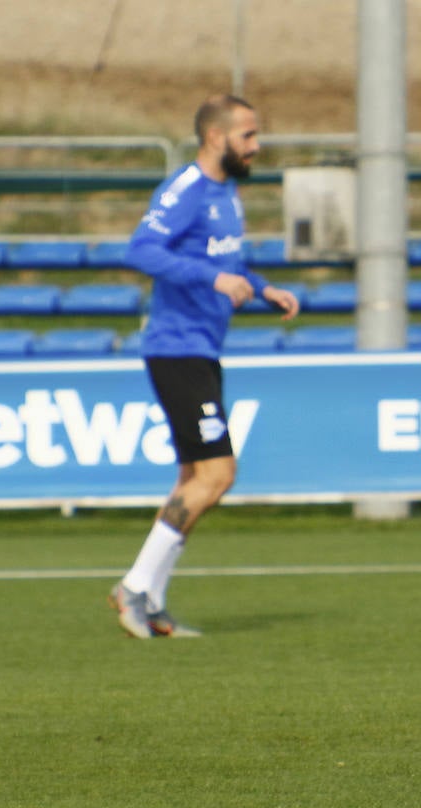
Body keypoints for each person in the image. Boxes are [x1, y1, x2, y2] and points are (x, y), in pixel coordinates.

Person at [108, 94, 300, 639]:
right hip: (176, 348)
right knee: (218, 474)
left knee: (192, 480)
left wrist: (264, 289)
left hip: (201, 348)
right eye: (249, 135)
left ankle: (153, 602)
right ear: (217, 137)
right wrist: (214, 280)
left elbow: (229, 263)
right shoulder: (186, 188)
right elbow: (140, 250)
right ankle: (133, 587)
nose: (256, 146)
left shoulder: (227, 194)